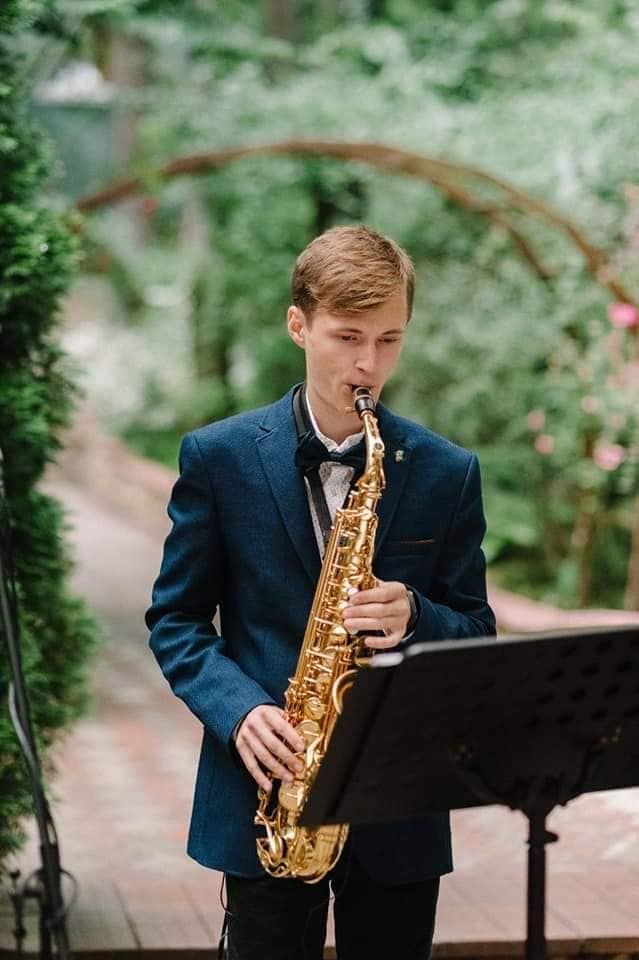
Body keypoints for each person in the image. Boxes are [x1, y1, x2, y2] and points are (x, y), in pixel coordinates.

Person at [146, 225, 496, 960]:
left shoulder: (446, 471)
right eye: (347, 337)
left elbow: (476, 629)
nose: (369, 364)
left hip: (397, 803)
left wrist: (416, 615)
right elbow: (176, 619)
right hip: (268, 788)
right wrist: (240, 711)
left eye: (389, 340)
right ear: (297, 325)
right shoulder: (218, 458)